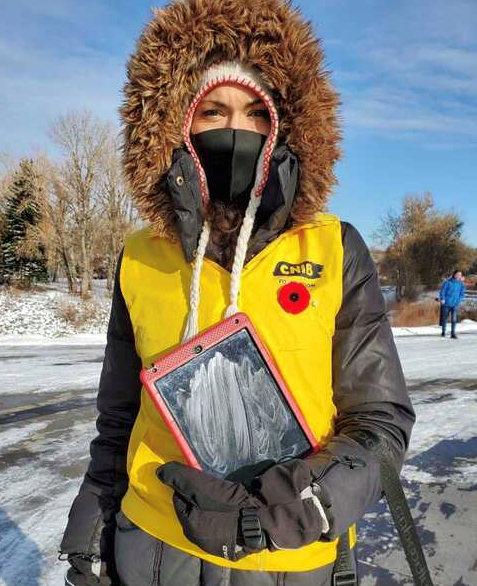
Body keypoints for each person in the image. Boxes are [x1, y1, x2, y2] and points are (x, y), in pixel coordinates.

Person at [59, 1, 415, 585]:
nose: (236, 130)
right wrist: (90, 530)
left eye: (256, 112)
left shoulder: (332, 248)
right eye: (213, 111)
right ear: (176, 124)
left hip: (289, 555)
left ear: (285, 128)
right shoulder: (141, 257)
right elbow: (119, 419)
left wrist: (313, 502)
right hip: (152, 544)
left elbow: (380, 417)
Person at [439, 270, 466, 339]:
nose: (459, 276)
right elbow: (442, 291)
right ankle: (443, 332)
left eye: (460, 275)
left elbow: (462, 294)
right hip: (447, 304)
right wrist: (443, 299)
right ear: (454, 274)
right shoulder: (448, 282)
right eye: (457, 274)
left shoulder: (461, 284)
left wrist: (458, 300)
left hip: (455, 304)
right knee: (445, 318)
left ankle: (453, 333)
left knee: (454, 319)